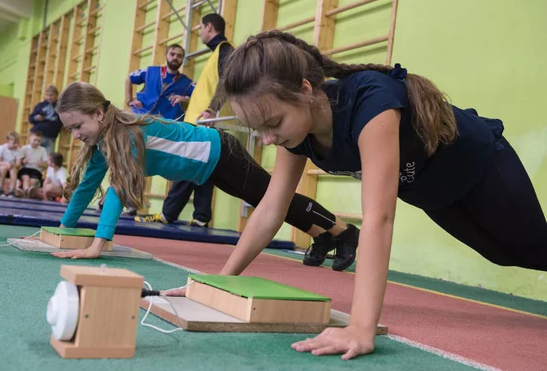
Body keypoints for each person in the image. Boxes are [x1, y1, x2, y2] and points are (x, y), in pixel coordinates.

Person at [209, 30, 547, 360]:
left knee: (535, 247)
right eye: (259, 130)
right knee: (501, 254)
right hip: (433, 192)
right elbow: (271, 208)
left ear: (305, 90)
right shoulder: (295, 135)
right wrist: (219, 283)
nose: (267, 139)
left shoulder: (371, 105)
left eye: (273, 123)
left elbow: (378, 219)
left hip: (484, 165)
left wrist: (360, 327)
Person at [50, 81, 360, 272]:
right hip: (208, 167)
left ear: (99, 114)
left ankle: (343, 232)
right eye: (71, 130)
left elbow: (118, 188)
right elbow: (87, 186)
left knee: (274, 200)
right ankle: (321, 235)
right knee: (266, 200)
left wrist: (98, 244)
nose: (75, 135)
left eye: (78, 127)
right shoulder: (104, 142)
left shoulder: (125, 134)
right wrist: (63, 228)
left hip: (219, 152)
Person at [142, 13, 233, 228]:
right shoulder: (216, 53)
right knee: (203, 168)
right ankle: (201, 217)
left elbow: (228, 81)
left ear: (209, 27)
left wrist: (211, 110)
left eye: (200, 28)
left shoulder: (225, 49)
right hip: (199, 121)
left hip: (204, 122)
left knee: (187, 166)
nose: (199, 32)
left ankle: (167, 214)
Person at [126, 44, 195, 121]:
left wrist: (185, 99)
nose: (175, 57)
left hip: (167, 124)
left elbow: (200, 98)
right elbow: (129, 78)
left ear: (182, 59)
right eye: (172, 54)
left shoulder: (187, 83)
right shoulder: (149, 71)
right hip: (141, 116)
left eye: (179, 56)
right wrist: (129, 101)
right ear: (166, 56)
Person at [29, 85, 62, 154]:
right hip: (37, 135)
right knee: (32, 156)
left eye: (51, 95)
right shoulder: (40, 105)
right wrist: (36, 117)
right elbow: (31, 119)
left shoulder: (60, 106)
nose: (49, 97)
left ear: (56, 95)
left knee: (47, 160)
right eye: (47, 95)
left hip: (51, 137)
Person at [16, 131, 48, 198]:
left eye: (39, 141)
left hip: (36, 170)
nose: (36, 142)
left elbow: (46, 164)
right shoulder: (24, 148)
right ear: (30, 139)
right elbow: (19, 162)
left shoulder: (42, 150)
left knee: (33, 181)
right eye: (35, 140)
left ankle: (27, 193)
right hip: (25, 169)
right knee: (26, 178)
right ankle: (27, 191)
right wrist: (23, 161)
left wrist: (41, 164)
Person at [0, 131, 21, 197]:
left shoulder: (18, 150)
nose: (16, 145)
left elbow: (18, 164)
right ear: (7, 141)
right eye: (14, 143)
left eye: (17, 143)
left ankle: (11, 190)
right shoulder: (1, 148)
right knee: (3, 169)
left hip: (12, 167)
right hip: (2, 166)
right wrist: (6, 163)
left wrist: (12, 164)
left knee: (14, 170)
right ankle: (0, 189)